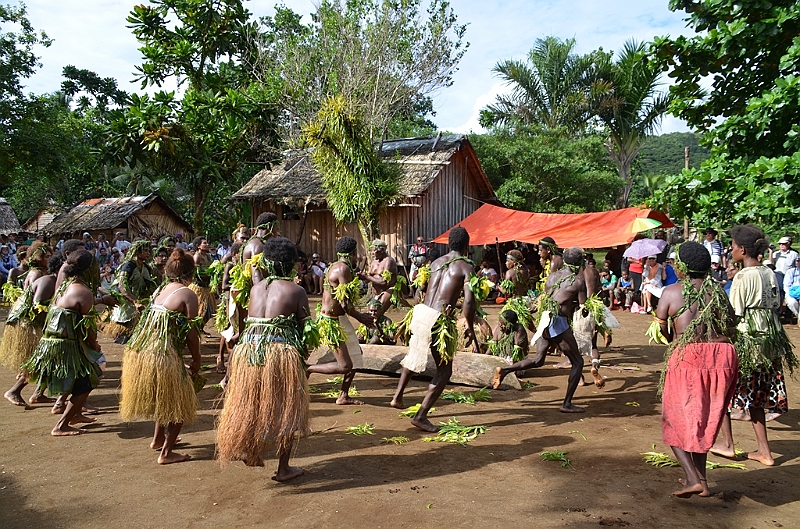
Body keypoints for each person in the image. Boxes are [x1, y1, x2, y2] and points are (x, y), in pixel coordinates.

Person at [217, 238, 316, 481]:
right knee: (288, 409)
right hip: (279, 354)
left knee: (252, 402)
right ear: (291, 264)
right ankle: (283, 468)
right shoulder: (297, 290)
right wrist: (303, 357)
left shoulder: (255, 289)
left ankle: (248, 448)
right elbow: (306, 330)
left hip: (247, 352)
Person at [654, 241, 738, 498]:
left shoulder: (671, 291)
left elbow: (662, 327)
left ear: (680, 266)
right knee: (703, 417)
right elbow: (731, 326)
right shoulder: (719, 292)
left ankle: (693, 479)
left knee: (674, 420)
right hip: (722, 356)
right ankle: (702, 479)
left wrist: (674, 339)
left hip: (689, 357)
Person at [710, 224, 797, 467]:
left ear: (743, 249)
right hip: (770, 342)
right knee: (758, 396)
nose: (732, 250)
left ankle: (727, 444)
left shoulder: (743, 276)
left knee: (723, 391)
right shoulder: (769, 272)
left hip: (748, 341)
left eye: (734, 247)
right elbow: (776, 302)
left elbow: (734, 314)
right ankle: (764, 451)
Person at [119, 248, 201, 464]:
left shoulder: (161, 290)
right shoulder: (188, 294)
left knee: (165, 396)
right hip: (162, 353)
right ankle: (166, 453)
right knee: (179, 402)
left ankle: (157, 440)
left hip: (142, 351)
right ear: (191, 273)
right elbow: (192, 335)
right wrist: (197, 359)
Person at [391, 227, 478, 431]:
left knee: (414, 354)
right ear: (467, 245)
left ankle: (397, 397)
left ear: (449, 244)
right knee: (444, 371)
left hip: (421, 313)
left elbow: (420, 290)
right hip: (439, 319)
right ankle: (421, 416)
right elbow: (469, 302)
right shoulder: (466, 267)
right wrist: (470, 325)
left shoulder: (436, 262)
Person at [493, 247, 588, 413]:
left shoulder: (552, 276)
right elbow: (583, 308)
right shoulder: (578, 281)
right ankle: (566, 404)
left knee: (538, 360)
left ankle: (506, 370)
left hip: (544, 319)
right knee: (578, 362)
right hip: (558, 322)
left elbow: (547, 297)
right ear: (579, 263)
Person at [21, 250, 103, 436]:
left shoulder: (64, 286)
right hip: (64, 346)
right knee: (87, 383)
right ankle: (61, 425)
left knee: (81, 381)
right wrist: (94, 345)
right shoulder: (84, 292)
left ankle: (74, 415)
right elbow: (88, 328)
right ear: (89, 269)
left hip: (53, 342)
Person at [308, 236, 372, 405]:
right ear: (353, 253)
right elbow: (345, 304)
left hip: (339, 318)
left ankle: (343, 395)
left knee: (356, 357)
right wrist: (363, 318)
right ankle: (308, 368)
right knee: (345, 365)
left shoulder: (338, 266)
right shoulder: (343, 269)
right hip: (331, 321)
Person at [2, 250, 60, 406]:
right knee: (40, 359)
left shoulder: (47, 276)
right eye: (46, 256)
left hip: (32, 321)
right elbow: (37, 304)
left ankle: (38, 394)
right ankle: (14, 391)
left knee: (49, 360)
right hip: (28, 323)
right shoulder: (42, 277)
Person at [103, 240, 157, 344]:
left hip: (140, 300)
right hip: (126, 302)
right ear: (137, 252)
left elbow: (149, 286)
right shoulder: (128, 266)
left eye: (148, 251)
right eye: (145, 251)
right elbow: (122, 286)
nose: (148, 253)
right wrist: (134, 301)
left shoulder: (146, 267)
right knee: (124, 335)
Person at [358, 239, 399, 316]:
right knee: (372, 315)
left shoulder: (388, 261)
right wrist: (361, 277)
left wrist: (366, 276)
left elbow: (384, 282)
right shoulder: (374, 262)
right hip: (376, 293)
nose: (372, 253)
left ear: (382, 250)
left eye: (374, 251)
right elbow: (367, 280)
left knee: (376, 315)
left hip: (387, 291)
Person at [189, 236, 215, 325]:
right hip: (198, 288)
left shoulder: (208, 256)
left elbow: (212, 268)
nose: (207, 244)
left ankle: (200, 329)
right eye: (204, 243)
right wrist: (206, 274)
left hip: (207, 288)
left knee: (209, 312)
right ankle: (197, 329)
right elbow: (195, 273)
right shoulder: (197, 256)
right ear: (198, 246)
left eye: (207, 243)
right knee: (200, 311)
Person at [782, 256, 800, 325]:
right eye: (798, 261)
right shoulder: (791, 271)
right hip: (792, 292)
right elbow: (786, 285)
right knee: (792, 302)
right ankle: (798, 316)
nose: (799, 262)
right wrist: (792, 293)